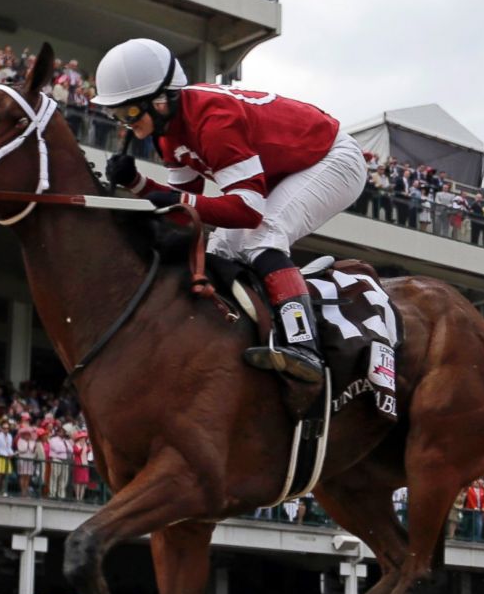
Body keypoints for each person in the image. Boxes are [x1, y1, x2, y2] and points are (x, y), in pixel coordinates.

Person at [94, 37, 367, 386]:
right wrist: (137, 184)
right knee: (217, 250)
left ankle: (304, 345)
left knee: (263, 236)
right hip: (283, 172)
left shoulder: (213, 120)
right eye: (116, 114)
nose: (124, 123)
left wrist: (175, 200)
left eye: (128, 112)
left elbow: (247, 211)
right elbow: (183, 211)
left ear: (160, 101)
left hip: (332, 159)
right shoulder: (167, 135)